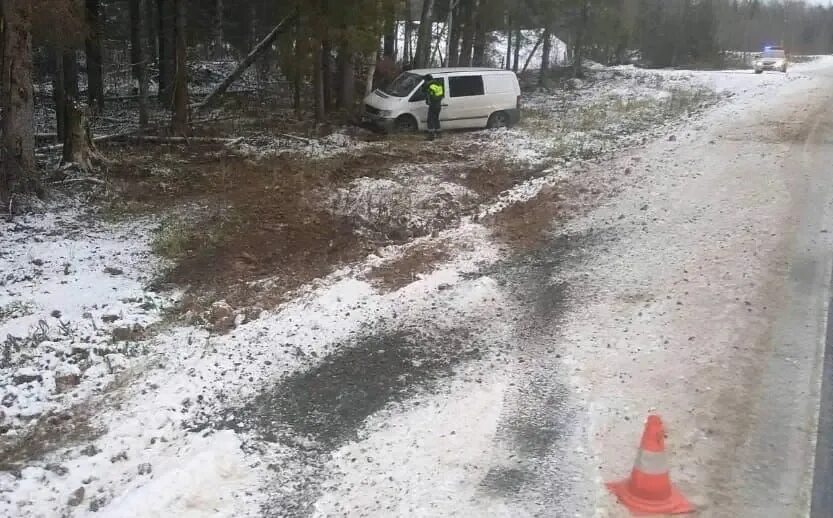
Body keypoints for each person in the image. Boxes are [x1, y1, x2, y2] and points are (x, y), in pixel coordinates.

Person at [422, 74, 445, 140]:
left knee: (430, 120)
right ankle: (439, 134)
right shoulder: (438, 84)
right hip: (438, 104)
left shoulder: (430, 85)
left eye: (425, 80)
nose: (424, 81)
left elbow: (425, 91)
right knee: (436, 119)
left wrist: (428, 101)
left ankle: (431, 136)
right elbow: (441, 94)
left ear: (427, 80)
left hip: (433, 104)